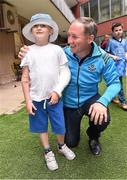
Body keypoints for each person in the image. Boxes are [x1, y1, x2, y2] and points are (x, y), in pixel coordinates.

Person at [19, 17, 121, 156]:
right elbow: (40, 55)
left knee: (103, 118)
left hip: (90, 98)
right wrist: (26, 52)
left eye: (75, 37)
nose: (69, 41)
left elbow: (115, 83)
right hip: (68, 104)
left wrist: (102, 102)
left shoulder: (103, 58)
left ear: (90, 38)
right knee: (71, 142)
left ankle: (93, 136)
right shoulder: (61, 53)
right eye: (69, 35)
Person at [20, 13, 75, 171]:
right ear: (31, 31)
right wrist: (28, 101)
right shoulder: (27, 51)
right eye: (35, 25)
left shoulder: (57, 50)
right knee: (41, 127)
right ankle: (47, 151)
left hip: (54, 98)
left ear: (51, 30)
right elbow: (25, 79)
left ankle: (61, 146)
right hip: (36, 99)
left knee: (60, 125)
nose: (38, 27)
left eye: (43, 25)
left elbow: (65, 73)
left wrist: (57, 91)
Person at [106, 22, 127, 110]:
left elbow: (126, 51)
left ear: (122, 30)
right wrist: (113, 56)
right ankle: (123, 102)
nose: (118, 32)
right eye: (116, 30)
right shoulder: (110, 42)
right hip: (114, 66)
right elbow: (106, 53)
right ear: (113, 32)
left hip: (122, 66)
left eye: (120, 30)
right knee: (119, 83)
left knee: (115, 81)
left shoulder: (125, 41)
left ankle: (113, 97)